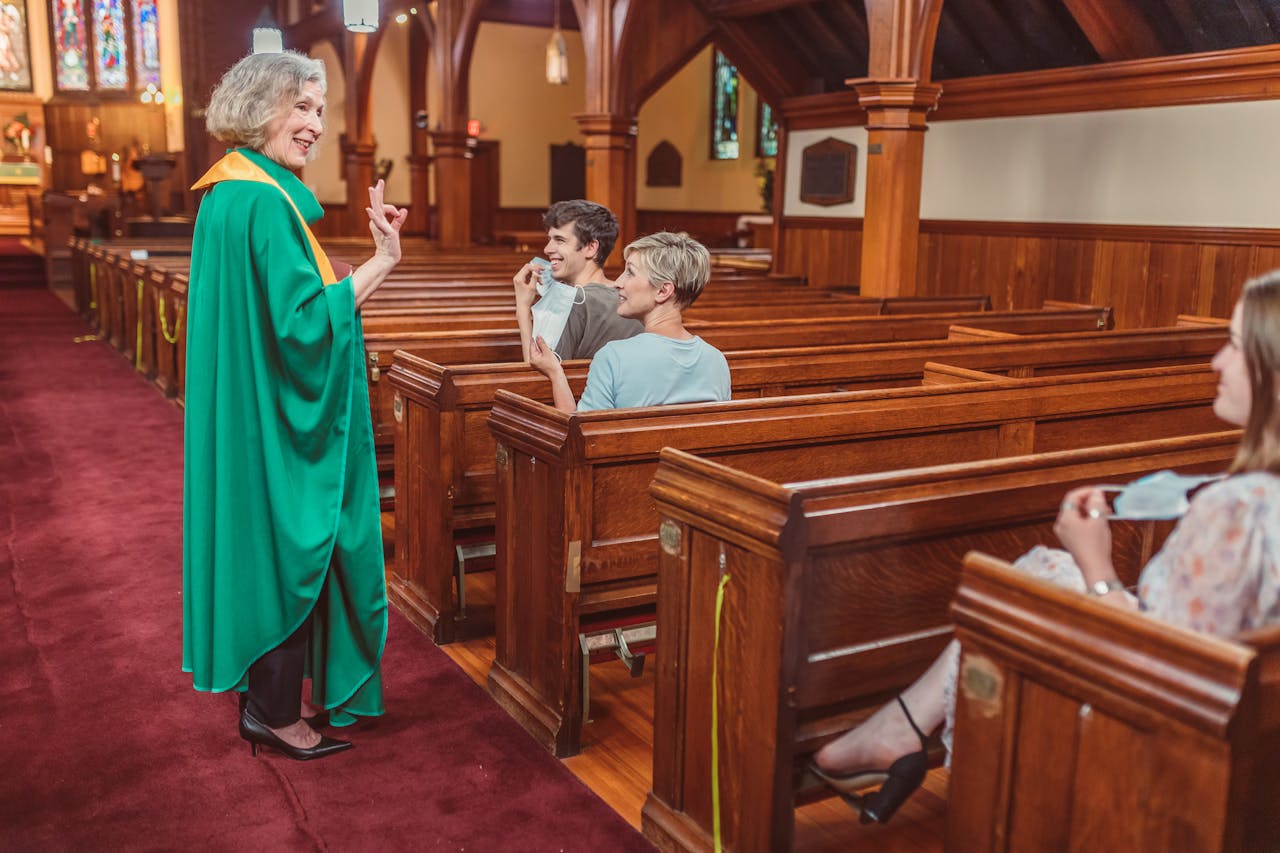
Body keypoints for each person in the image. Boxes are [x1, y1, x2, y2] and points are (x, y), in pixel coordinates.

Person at [810, 271, 1280, 822]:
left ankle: (913, 736)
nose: (1216, 362)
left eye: (1234, 344)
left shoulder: (1240, 510)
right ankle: (903, 725)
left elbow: (1163, 675)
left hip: (1165, 760)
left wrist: (1097, 562)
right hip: (1251, 747)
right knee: (1045, 572)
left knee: (1016, 594)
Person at [182, 51, 407, 761]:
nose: (316, 124)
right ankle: (275, 713)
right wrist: (381, 264)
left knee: (266, 538)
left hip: (249, 411)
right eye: (302, 107)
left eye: (320, 108)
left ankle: (264, 700)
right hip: (275, 419)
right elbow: (305, 327)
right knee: (295, 539)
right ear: (258, 108)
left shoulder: (232, 191)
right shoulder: (259, 201)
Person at [529, 231, 731, 413]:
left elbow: (584, 441)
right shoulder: (716, 360)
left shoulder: (614, 357)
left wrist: (556, 373)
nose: (618, 282)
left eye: (630, 272)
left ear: (662, 291)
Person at [512, 199, 641, 362]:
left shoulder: (567, 301)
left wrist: (522, 309)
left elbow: (539, 379)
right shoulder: (633, 298)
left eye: (560, 240)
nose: (547, 249)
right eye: (549, 239)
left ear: (590, 248)